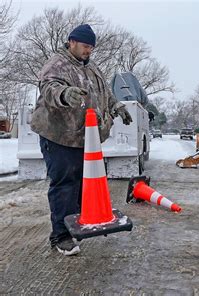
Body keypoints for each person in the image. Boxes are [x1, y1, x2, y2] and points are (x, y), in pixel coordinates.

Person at [30, 24, 133, 256]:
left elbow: (103, 91)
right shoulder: (58, 64)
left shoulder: (91, 67)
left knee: (79, 185)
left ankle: (73, 225)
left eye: (91, 47)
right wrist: (65, 94)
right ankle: (61, 236)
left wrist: (116, 106)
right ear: (72, 42)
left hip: (82, 137)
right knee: (64, 185)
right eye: (86, 46)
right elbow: (49, 88)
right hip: (58, 135)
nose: (89, 51)